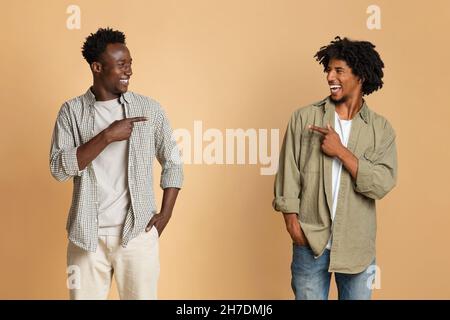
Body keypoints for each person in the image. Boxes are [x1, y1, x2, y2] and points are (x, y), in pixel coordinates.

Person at [49, 27, 183, 300]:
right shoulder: (71, 112)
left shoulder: (150, 110)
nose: (129, 71)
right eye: (121, 65)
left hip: (137, 234)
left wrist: (165, 214)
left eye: (130, 64)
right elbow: (59, 169)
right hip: (86, 237)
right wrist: (108, 135)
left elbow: (174, 162)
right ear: (97, 67)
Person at [273, 36, 397, 300]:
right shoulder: (304, 118)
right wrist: (293, 226)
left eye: (339, 70)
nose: (330, 76)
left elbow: (382, 183)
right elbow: (288, 175)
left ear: (360, 76)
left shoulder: (380, 129)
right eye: (328, 70)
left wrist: (341, 151)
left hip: (356, 246)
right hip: (310, 242)